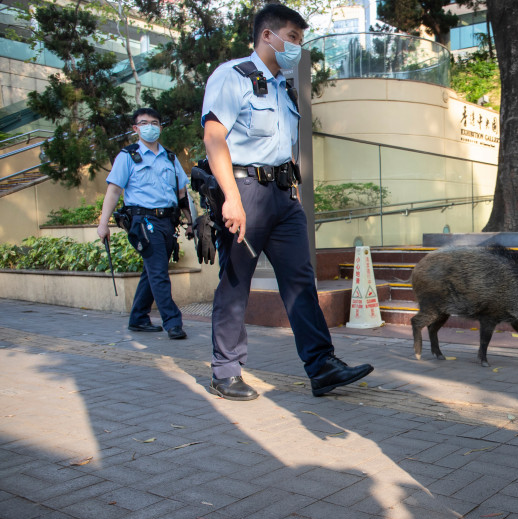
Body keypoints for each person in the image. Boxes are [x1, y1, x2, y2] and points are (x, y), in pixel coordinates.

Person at [200, 3, 373, 401]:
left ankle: (322, 365)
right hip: (244, 193)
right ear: (267, 36)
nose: (296, 46)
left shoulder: (283, 87)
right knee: (235, 284)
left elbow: (283, 148)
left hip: (282, 197)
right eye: (292, 38)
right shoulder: (233, 76)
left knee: (300, 281)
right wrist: (230, 198)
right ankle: (226, 370)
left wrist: (293, 190)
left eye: (299, 39)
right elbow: (214, 138)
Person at [98, 107, 191, 341]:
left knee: (152, 271)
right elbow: (114, 190)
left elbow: (182, 192)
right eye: (144, 123)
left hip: (167, 222)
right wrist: (103, 223)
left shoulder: (170, 157)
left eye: (155, 122)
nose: (150, 126)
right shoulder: (127, 156)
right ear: (135, 128)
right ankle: (173, 322)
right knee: (159, 272)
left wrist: (192, 221)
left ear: (160, 126)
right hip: (143, 222)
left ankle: (138, 317)